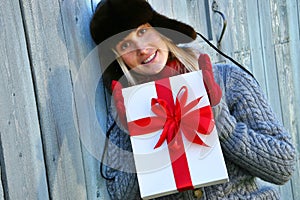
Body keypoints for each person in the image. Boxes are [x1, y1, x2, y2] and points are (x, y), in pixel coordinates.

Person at [90, 0, 296, 199]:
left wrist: (221, 121)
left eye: (142, 32)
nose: (142, 49)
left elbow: (283, 167)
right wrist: (136, 137)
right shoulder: (125, 108)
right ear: (118, 57)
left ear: (159, 29)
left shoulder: (227, 80)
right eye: (126, 44)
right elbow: (120, 195)